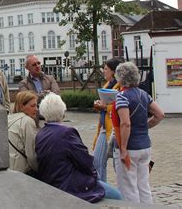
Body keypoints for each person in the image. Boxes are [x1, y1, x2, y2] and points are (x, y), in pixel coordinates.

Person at [35, 93, 122, 203]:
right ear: (63, 112)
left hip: (52, 182)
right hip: (69, 184)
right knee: (118, 196)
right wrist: (95, 177)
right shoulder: (66, 133)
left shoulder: (41, 134)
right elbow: (85, 161)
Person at [113, 61, 164, 203]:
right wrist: (144, 126)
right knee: (143, 185)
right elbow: (160, 114)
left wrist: (123, 148)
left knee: (129, 187)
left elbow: (125, 123)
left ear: (120, 78)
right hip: (145, 146)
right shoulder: (144, 94)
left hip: (130, 148)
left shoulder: (122, 96)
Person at [92, 58, 122, 182]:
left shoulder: (120, 88)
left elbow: (120, 108)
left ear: (113, 72)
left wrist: (105, 107)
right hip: (104, 128)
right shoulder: (106, 86)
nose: (103, 71)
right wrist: (99, 106)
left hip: (115, 130)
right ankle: (101, 189)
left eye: (105, 69)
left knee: (118, 165)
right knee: (97, 161)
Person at [8, 91, 39, 175]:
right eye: (32, 106)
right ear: (22, 106)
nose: (36, 109)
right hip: (21, 171)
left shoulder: (8, 118)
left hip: (9, 169)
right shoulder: (27, 121)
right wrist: (39, 170)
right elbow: (31, 155)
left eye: (37, 105)